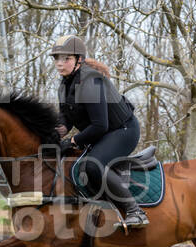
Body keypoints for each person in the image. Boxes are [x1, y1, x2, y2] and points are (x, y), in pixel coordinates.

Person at [51, 35, 149, 228]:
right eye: (57, 59)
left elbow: (99, 125)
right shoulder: (65, 85)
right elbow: (66, 121)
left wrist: (72, 142)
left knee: (92, 165)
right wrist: (52, 137)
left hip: (123, 131)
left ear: (79, 60)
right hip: (102, 133)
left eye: (66, 59)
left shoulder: (91, 82)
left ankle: (135, 211)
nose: (60, 64)